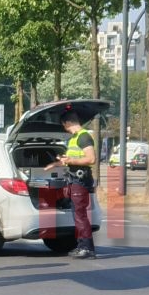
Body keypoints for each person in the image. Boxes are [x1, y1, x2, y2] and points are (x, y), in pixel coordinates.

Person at [45, 110, 97, 259]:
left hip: (81, 180)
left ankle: (87, 248)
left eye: (64, 125)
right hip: (75, 179)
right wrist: (55, 164)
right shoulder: (74, 139)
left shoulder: (84, 137)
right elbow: (71, 158)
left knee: (80, 215)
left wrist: (70, 161)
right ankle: (82, 245)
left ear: (68, 123)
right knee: (77, 214)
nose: (64, 128)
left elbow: (91, 159)